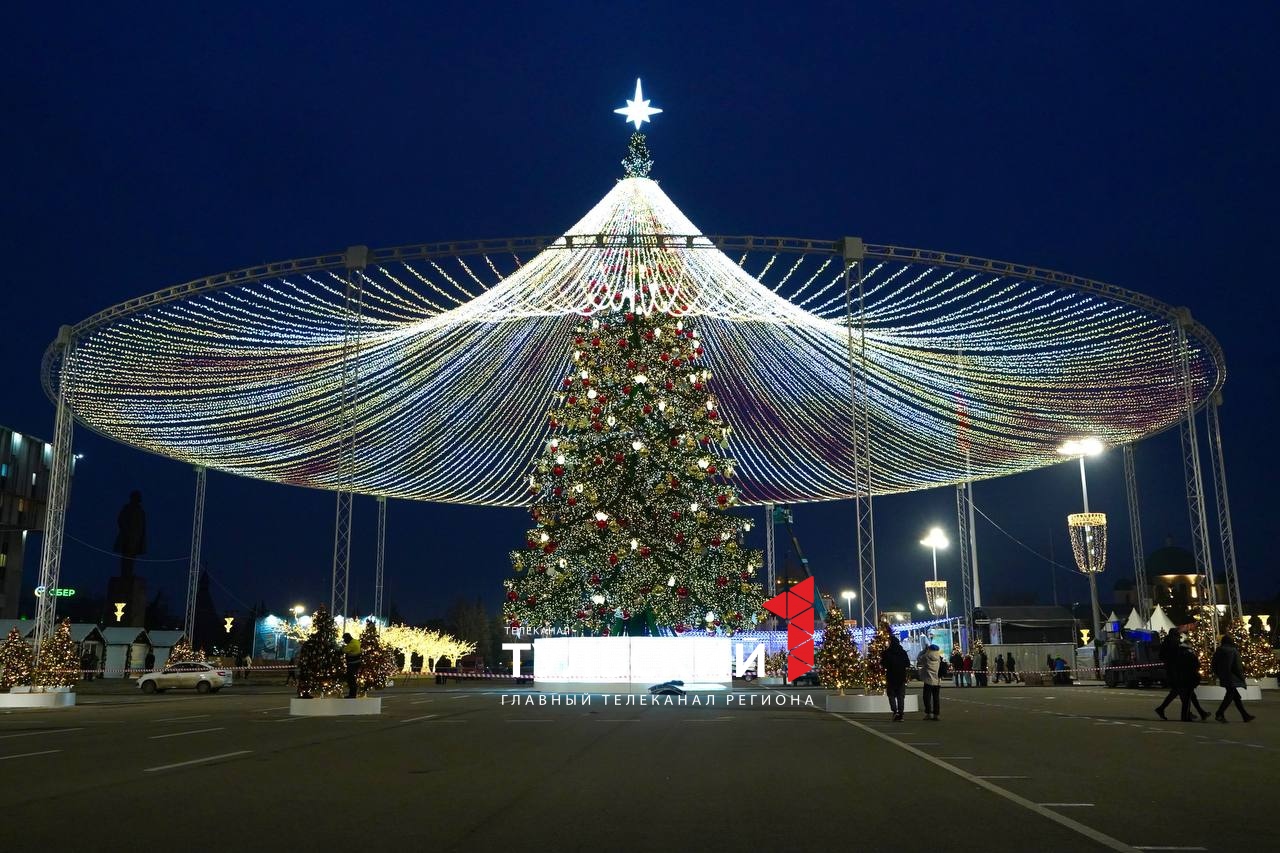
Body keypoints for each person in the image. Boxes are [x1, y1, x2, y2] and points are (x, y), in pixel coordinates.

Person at [1211, 634, 1254, 723]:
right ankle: (1219, 713)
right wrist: (1241, 678)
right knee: (1230, 695)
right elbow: (1237, 667)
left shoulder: (1218, 651)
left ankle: (1245, 715)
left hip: (1224, 676)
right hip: (1232, 676)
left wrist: (1218, 674)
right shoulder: (1233, 651)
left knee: (1235, 696)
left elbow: (1214, 664)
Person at [1173, 642, 1210, 722]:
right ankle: (1185, 717)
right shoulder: (1189, 654)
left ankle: (1202, 713)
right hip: (1188, 679)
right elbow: (1196, 665)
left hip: (1180, 679)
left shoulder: (1177, 654)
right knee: (1187, 699)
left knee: (1191, 697)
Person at [1154, 628, 1184, 720]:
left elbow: (1161, 656)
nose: (1179, 639)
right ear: (1174, 636)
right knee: (1179, 690)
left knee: (1180, 691)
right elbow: (1178, 657)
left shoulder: (1166, 643)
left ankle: (1192, 711)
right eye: (1178, 637)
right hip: (1174, 670)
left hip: (1170, 669)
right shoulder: (1173, 644)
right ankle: (1161, 708)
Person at [882, 636, 910, 721]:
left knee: (891, 695)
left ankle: (895, 712)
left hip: (891, 676)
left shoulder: (887, 652)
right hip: (901, 676)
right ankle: (900, 713)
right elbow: (907, 663)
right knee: (900, 696)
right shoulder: (902, 652)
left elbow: (884, 664)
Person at [920, 644, 943, 720]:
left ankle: (928, 713)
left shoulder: (926, 657)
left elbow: (919, 658)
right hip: (937, 681)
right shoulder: (939, 658)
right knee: (936, 698)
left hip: (928, 680)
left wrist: (924, 651)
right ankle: (936, 714)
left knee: (926, 697)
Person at [342, 632, 362, 699]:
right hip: (356, 663)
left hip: (352, 663)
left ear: (347, 638)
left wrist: (341, 648)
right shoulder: (356, 641)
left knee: (351, 679)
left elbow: (344, 651)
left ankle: (352, 694)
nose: (344, 641)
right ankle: (353, 694)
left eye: (344, 639)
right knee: (352, 679)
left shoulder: (351, 644)